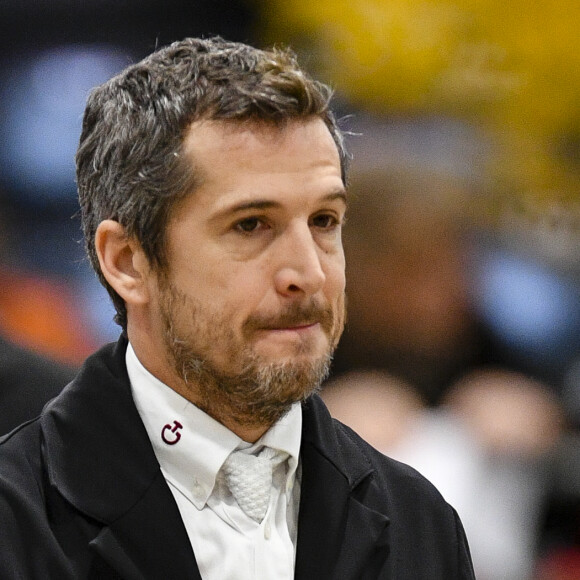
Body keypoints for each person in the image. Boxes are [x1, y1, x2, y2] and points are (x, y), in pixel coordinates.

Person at [0, 37, 474, 579]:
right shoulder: (16, 520)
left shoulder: (421, 521)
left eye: (324, 221)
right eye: (251, 225)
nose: (309, 273)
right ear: (128, 262)